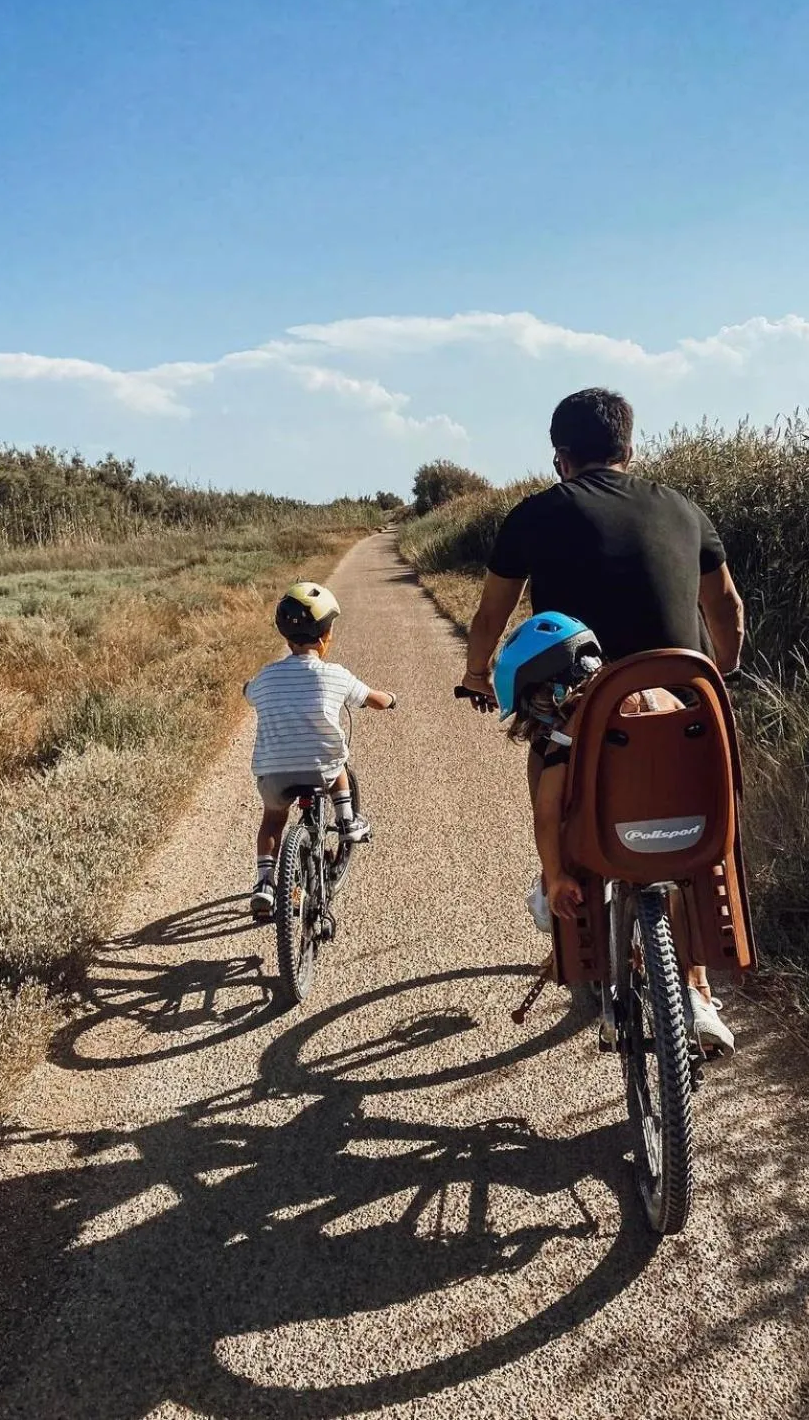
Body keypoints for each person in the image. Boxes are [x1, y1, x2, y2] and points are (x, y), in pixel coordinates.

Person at [460, 388, 745, 1056]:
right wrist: (723, 670)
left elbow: (490, 616)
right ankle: (698, 992)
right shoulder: (684, 508)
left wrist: (475, 675)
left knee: (551, 761)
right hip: (683, 707)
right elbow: (727, 607)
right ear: (630, 449)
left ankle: (556, 878)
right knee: (695, 833)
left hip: (585, 708)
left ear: (560, 458)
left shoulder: (534, 513)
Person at [244, 582, 396, 917]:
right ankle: (347, 820)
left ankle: (265, 884)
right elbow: (374, 699)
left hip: (273, 774)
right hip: (320, 770)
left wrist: (249, 688)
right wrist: (390, 699)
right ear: (326, 636)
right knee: (337, 762)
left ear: (285, 637)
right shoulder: (335, 675)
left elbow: (249, 693)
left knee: (273, 820)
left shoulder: (266, 677)